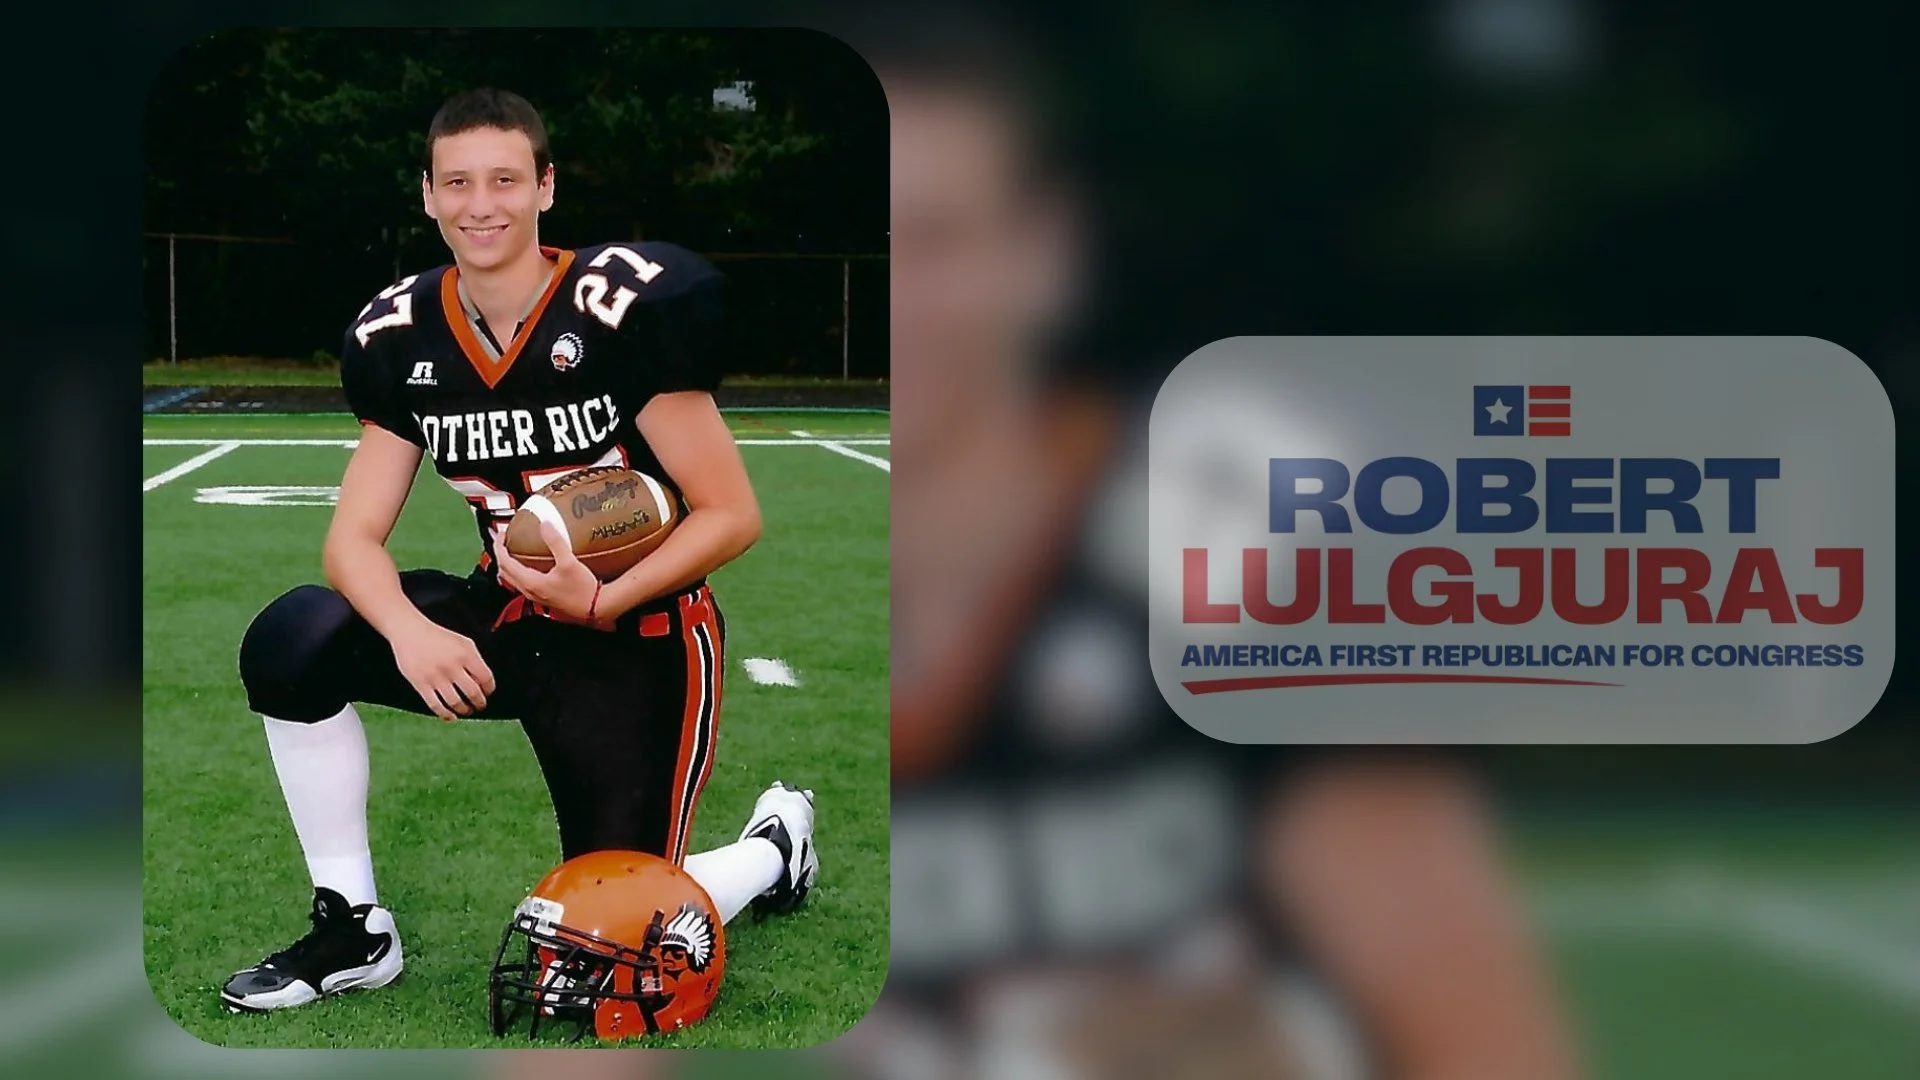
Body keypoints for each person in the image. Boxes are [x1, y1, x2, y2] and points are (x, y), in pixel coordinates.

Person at [219, 87, 819, 1015]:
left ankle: (772, 851)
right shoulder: (402, 333)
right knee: (293, 639)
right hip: (507, 614)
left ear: (546, 186)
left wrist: (607, 601)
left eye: (504, 179)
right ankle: (352, 927)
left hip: (639, 634)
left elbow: (729, 514)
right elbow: (352, 537)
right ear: (427, 195)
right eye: (456, 182)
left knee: (609, 949)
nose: (480, 203)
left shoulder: (618, 310)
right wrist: (411, 635)